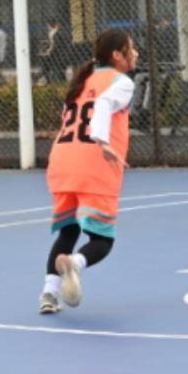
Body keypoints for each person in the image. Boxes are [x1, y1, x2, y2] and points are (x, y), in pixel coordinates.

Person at [39, 28, 139, 314]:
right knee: (102, 239)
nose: (135, 53)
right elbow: (104, 103)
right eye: (131, 48)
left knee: (68, 231)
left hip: (62, 163)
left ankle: (49, 294)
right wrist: (102, 141)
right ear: (117, 55)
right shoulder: (121, 82)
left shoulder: (81, 80)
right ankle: (75, 263)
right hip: (94, 165)